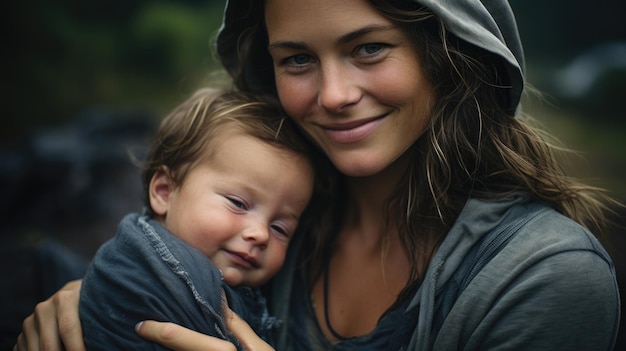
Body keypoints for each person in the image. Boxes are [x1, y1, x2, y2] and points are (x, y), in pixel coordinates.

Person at [14, 0, 621, 350]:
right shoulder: (273, 219)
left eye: (368, 49)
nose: (331, 95)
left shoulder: (544, 280)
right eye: (298, 59)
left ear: (446, 54)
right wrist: (90, 301)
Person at [78, 88, 316, 350]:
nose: (261, 234)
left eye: (280, 228)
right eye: (238, 204)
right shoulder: (145, 274)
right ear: (164, 192)